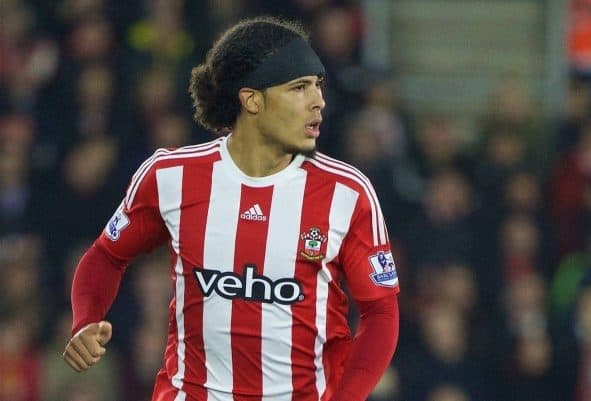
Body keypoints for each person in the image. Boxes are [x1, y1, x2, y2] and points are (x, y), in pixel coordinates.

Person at [62, 16, 400, 401]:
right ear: (252, 99)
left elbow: (381, 313)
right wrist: (86, 320)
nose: (318, 100)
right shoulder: (171, 176)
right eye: (299, 87)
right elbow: (106, 255)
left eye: (318, 86)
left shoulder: (348, 192)